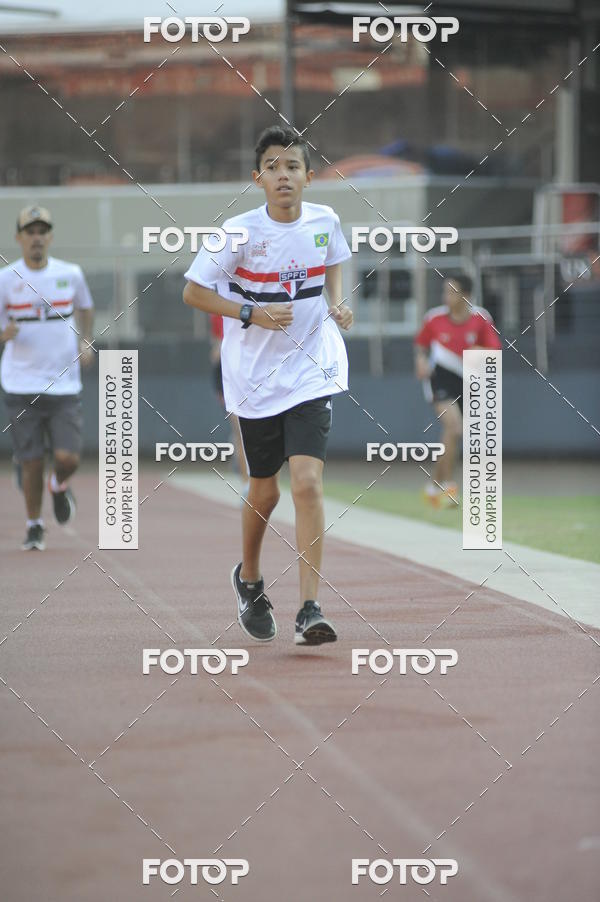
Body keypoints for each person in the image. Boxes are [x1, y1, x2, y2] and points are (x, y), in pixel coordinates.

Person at [183, 125, 353, 645]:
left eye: (293, 166)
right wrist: (249, 312)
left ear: (308, 176)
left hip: (311, 370)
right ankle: (250, 579)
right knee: (265, 489)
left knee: (306, 482)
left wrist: (337, 302)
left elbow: (336, 261)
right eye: (274, 167)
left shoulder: (325, 220)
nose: (284, 175)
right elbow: (193, 292)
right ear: (258, 178)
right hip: (254, 378)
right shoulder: (236, 233)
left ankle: (310, 608)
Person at [0, 205, 94, 550]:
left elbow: (85, 306)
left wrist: (86, 339)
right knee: (31, 460)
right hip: (20, 383)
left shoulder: (70, 274)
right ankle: (34, 525)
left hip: (64, 383)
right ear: (19, 239)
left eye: (42, 232)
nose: (36, 238)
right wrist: (3, 334)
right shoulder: (5, 279)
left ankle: (58, 484)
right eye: (30, 232)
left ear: (50, 237)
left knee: (69, 457)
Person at [414, 273, 501, 508]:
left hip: (468, 379)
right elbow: (421, 345)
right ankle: (447, 485)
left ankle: (435, 486)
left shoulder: (481, 318)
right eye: (445, 291)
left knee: (454, 433)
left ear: (467, 295)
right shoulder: (433, 318)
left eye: (452, 292)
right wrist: (421, 361)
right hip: (440, 377)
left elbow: (494, 350)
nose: (446, 296)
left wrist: (478, 349)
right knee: (454, 426)